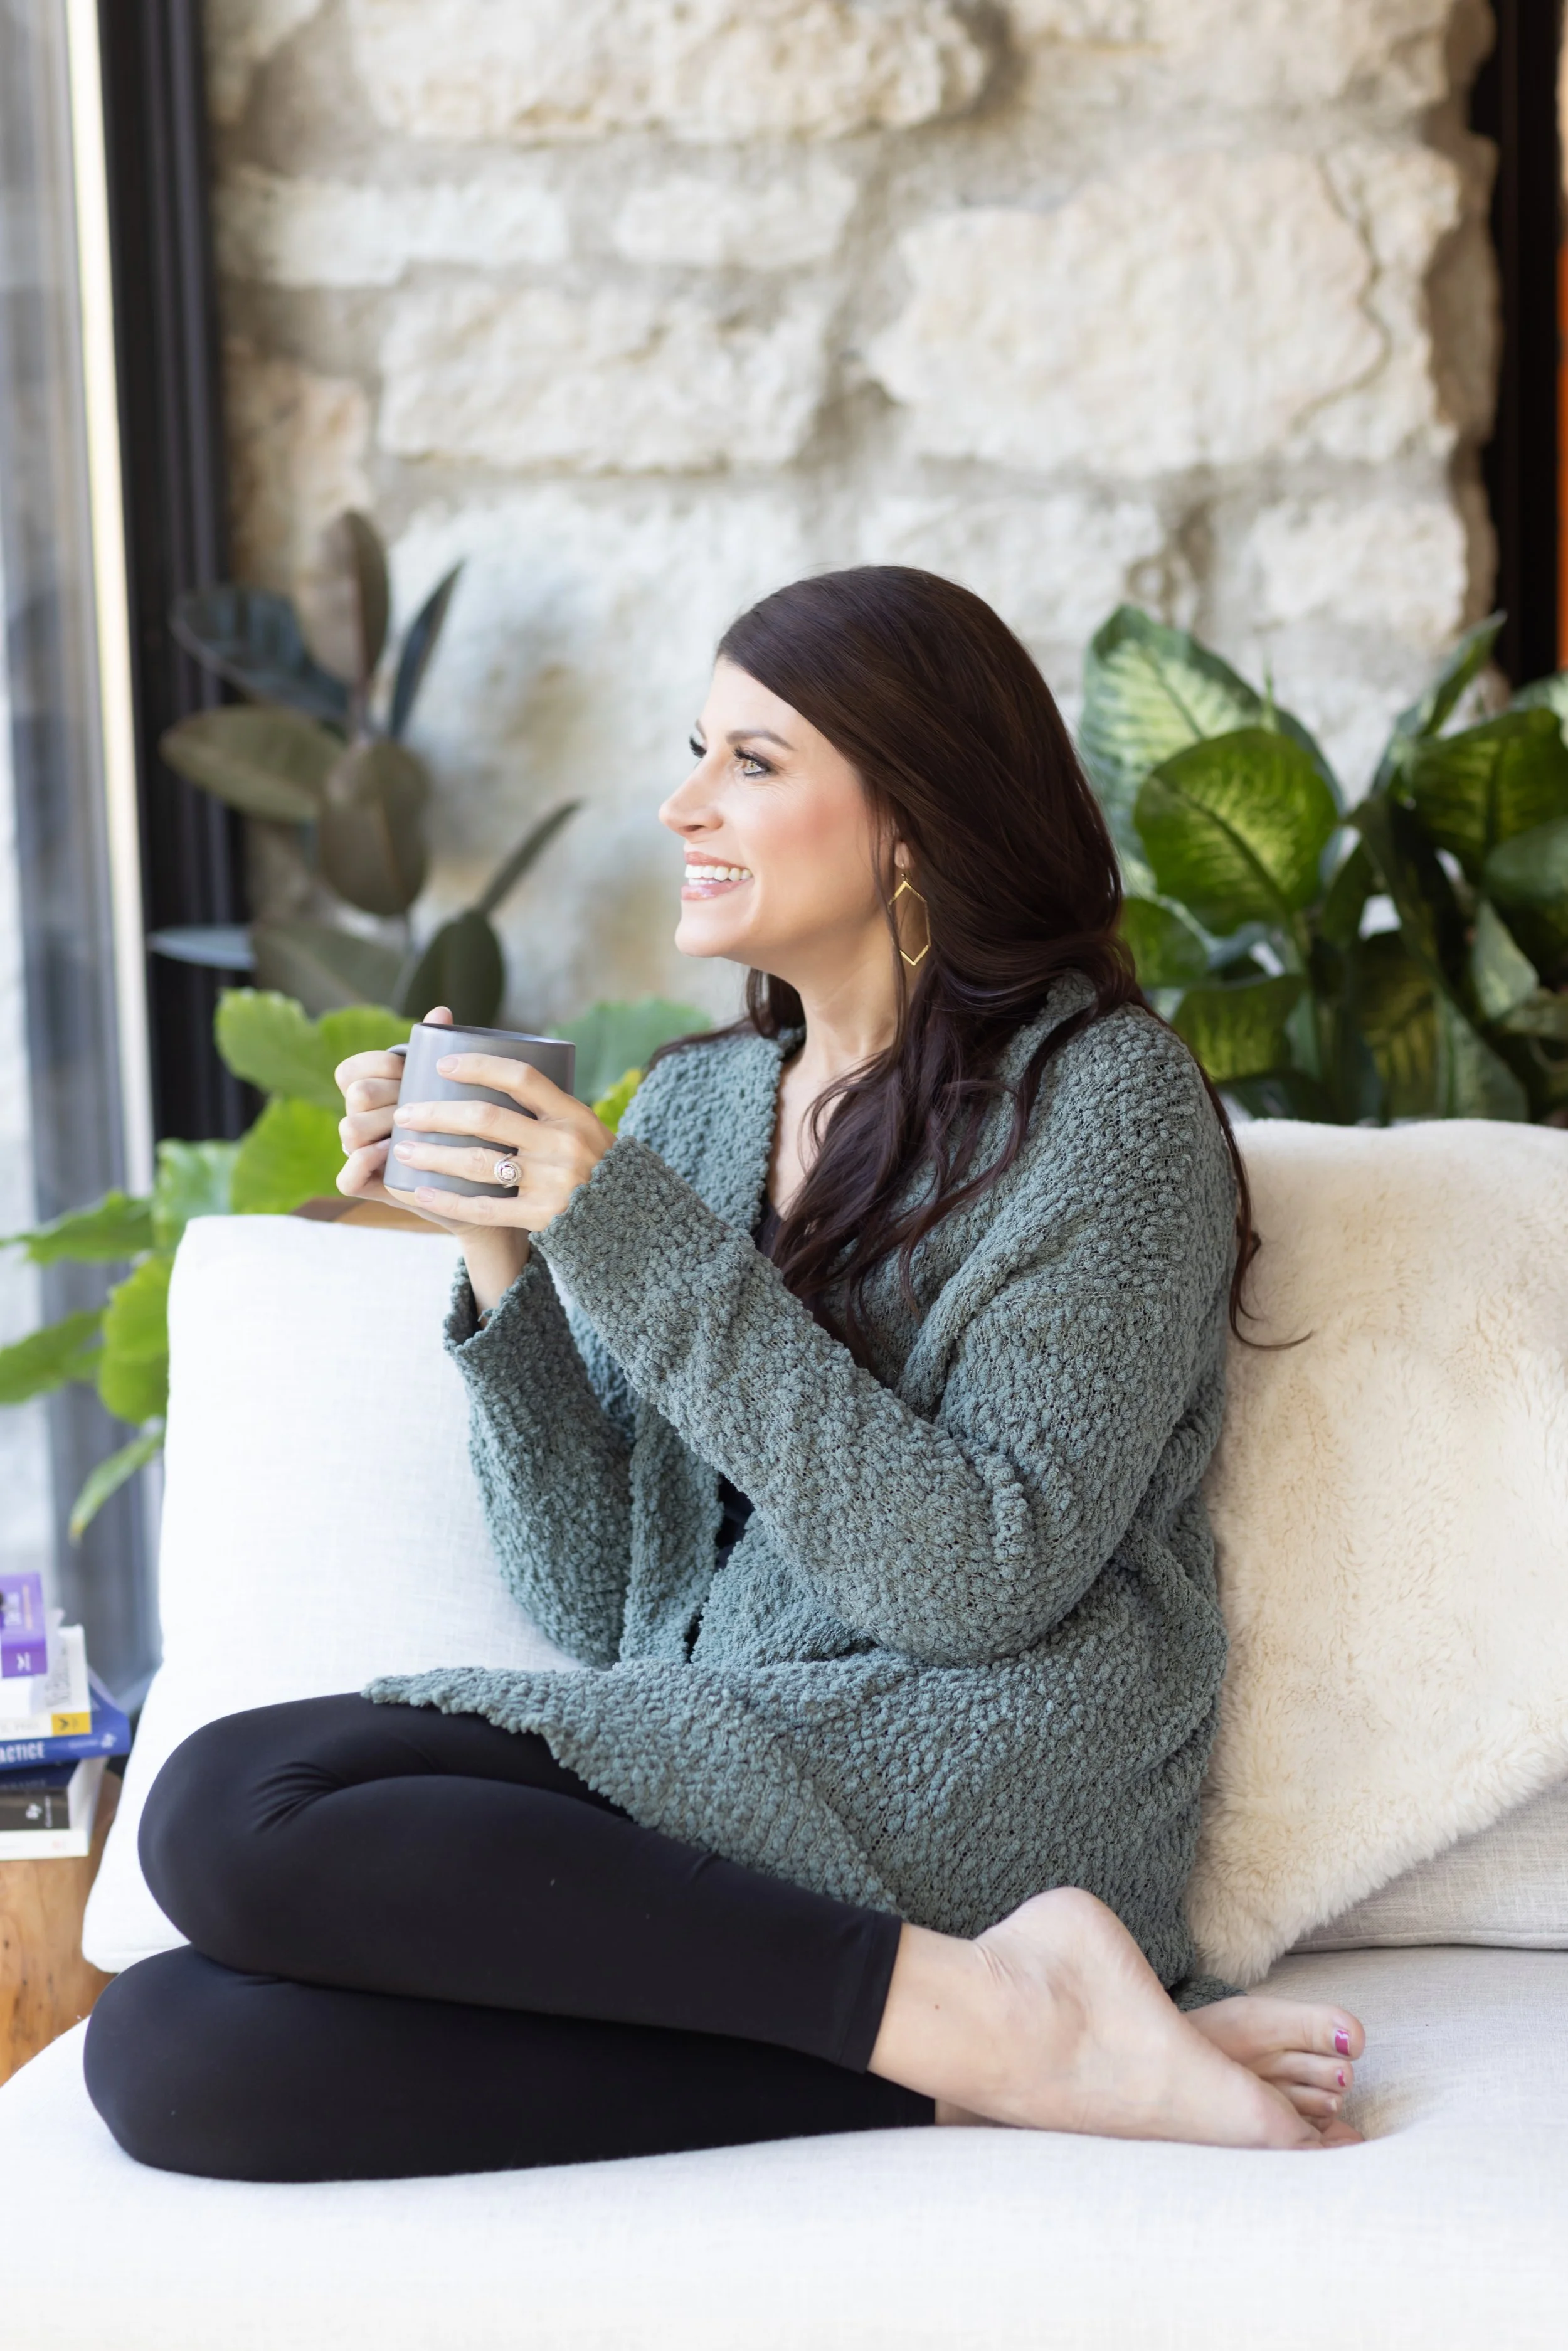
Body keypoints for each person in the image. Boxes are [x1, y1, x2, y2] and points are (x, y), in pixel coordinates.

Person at [86, 567, 1364, 2181]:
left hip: (978, 1762)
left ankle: (1000, 1993)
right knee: (173, 2052)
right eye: (698, 750)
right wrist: (500, 1244)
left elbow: (977, 1575)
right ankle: (995, 2039)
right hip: (728, 1746)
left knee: (223, 1803)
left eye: (753, 763)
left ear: (911, 817)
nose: (684, 801)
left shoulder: (1098, 1110)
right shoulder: (701, 1106)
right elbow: (603, 1601)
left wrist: (610, 1224)